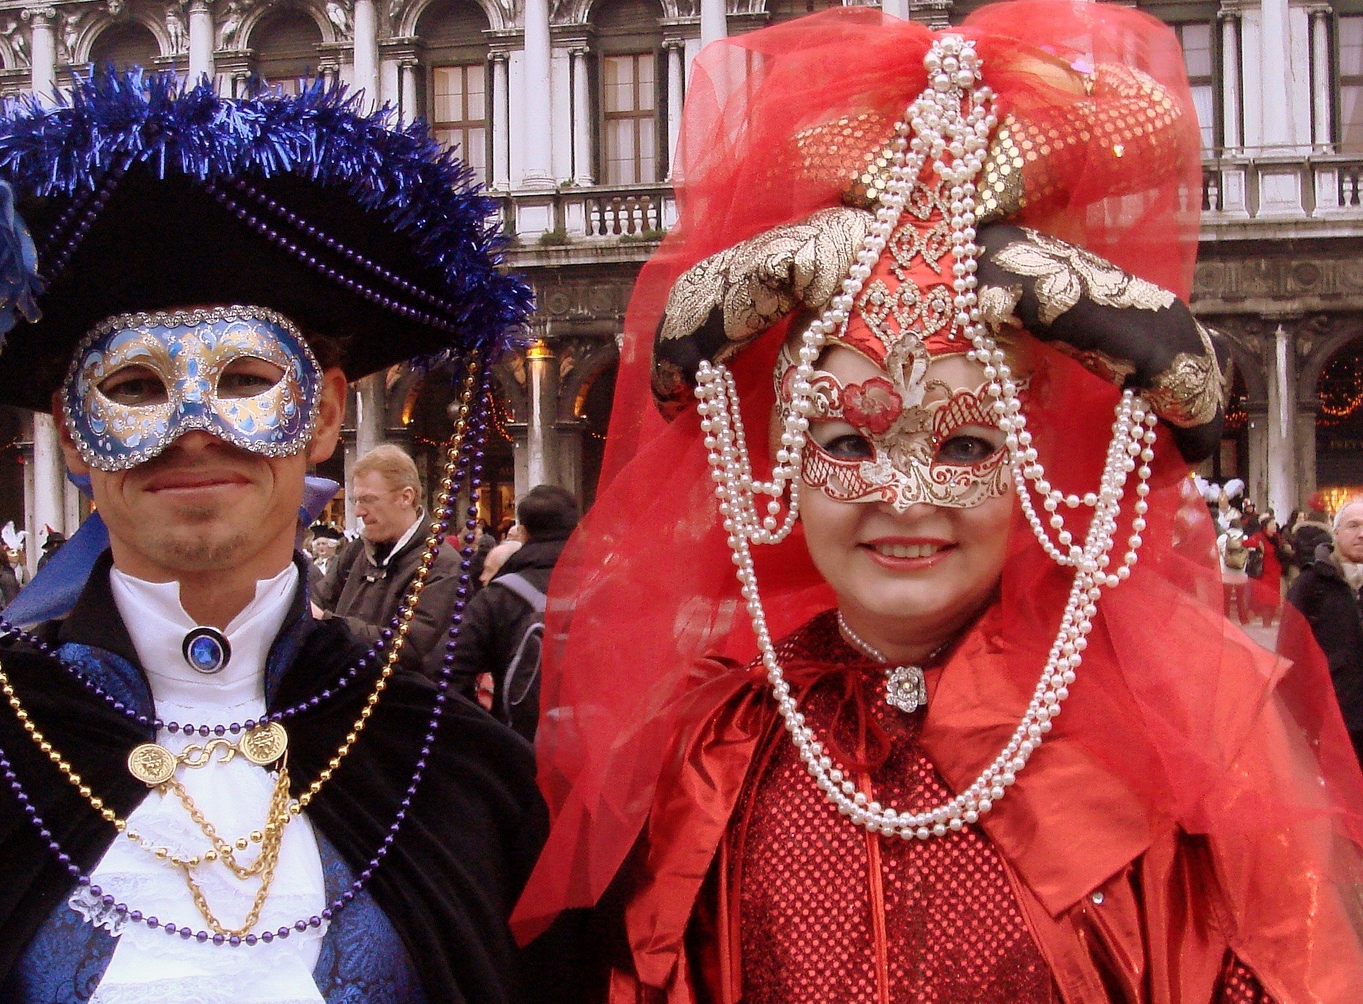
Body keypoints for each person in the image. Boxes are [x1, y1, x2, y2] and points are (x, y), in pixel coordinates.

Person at [512, 5, 1363, 1001]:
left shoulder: (1179, 734)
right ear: (783, 457)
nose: (900, 493)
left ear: (1036, 454)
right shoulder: (721, 742)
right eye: (846, 441)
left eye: (964, 442)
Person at [0, 70, 542, 1002]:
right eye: (132, 389)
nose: (192, 429)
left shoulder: (448, 773)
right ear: (68, 430)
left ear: (328, 415)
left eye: (248, 377)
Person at [433, 487, 580, 734]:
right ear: (577, 530)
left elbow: (445, 670)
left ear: (522, 534)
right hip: (599, 754)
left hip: (520, 747)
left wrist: (488, 733)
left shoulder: (499, 596)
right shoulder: (614, 588)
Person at [312, 444, 461, 676]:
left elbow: (407, 647)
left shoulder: (442, 564)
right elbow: (318, 600)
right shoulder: (357, 550)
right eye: (356, 501)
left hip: (403, 703)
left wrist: (329, 623)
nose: (359, 511)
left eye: (368, 500)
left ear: (406, 497)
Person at [1288, 498, 1363, 763]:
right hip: (1332, 716)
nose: (1361, 534)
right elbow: (1289, 651)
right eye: (1353, 525)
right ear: (1337, 530)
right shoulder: (1312, 583)